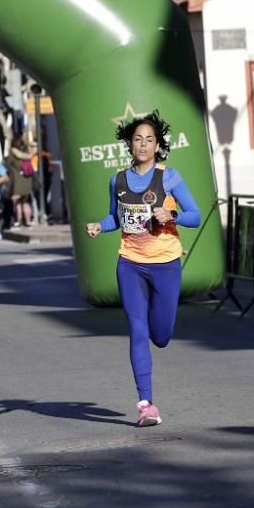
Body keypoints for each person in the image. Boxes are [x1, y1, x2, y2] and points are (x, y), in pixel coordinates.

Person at [85, 110, 201, 427]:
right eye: (138, 139)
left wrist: (171, 216)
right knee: (137, 330)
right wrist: (100, 225)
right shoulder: (118, 180)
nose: (143, 145)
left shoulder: (169, 177)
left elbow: (195, 215)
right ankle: (146, 404)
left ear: (158, 145)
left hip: (165, 263)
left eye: (149, 139)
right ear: (129, 144)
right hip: (130, 263)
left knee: (160, 335)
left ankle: (156, 329)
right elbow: (116, 218)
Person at [6, 135, 36, 228]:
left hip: (17, 182)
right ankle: (28, 221)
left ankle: (18, 221)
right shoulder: (26, 151)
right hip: (27, 181)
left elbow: (8, 163)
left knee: (17, 203)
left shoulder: (13, 153)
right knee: (26, 202)